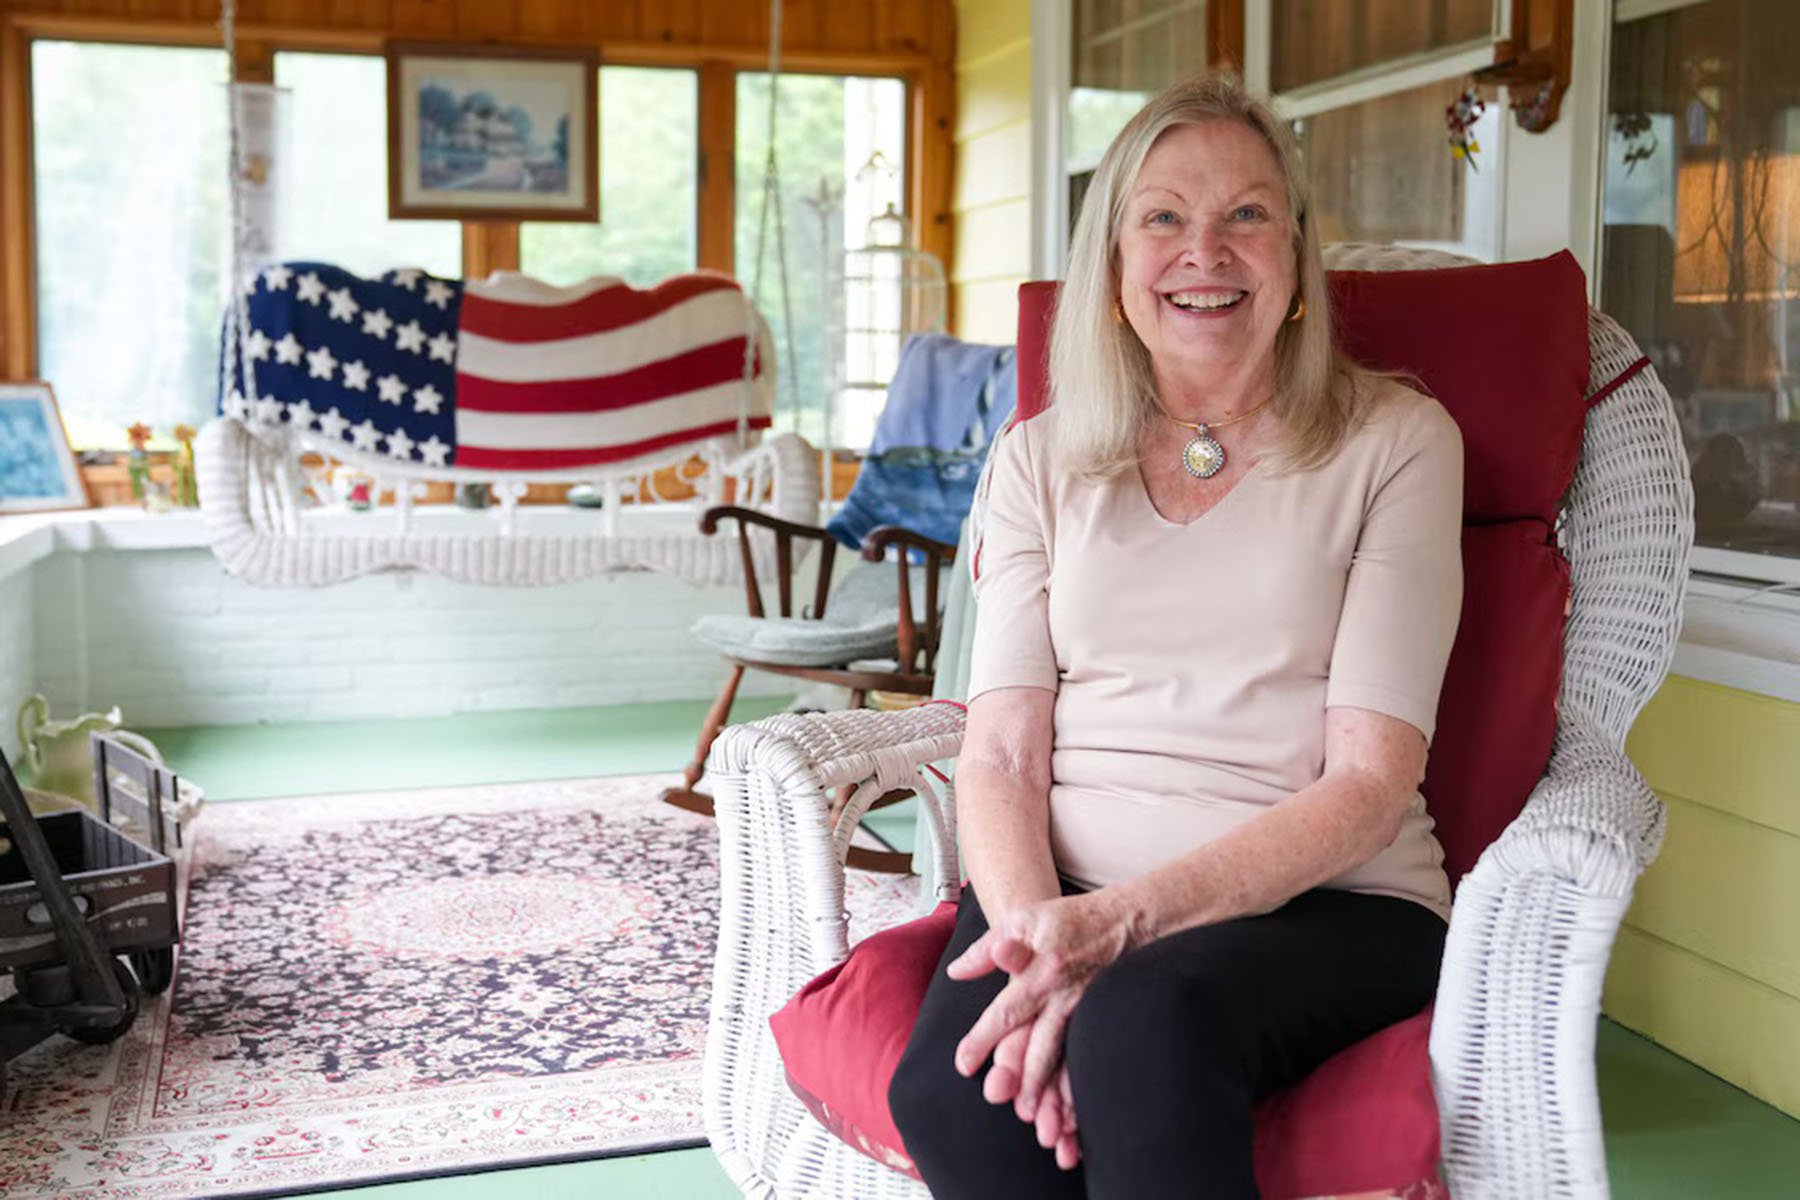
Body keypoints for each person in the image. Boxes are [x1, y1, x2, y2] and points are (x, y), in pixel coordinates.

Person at [886, 71, 1464, 1199]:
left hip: (1329, 901)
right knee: (953, 1087)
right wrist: (1040, 948)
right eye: (1163, 218)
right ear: (1114, 267)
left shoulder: (1397, 442)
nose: (1206, 251)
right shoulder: (1038, 462)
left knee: (1144, 1030)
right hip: (1059, 886)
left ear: (1296, 258)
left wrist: (1118, 928)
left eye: (1247, 214)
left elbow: (1371, 781)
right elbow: (999, 751)